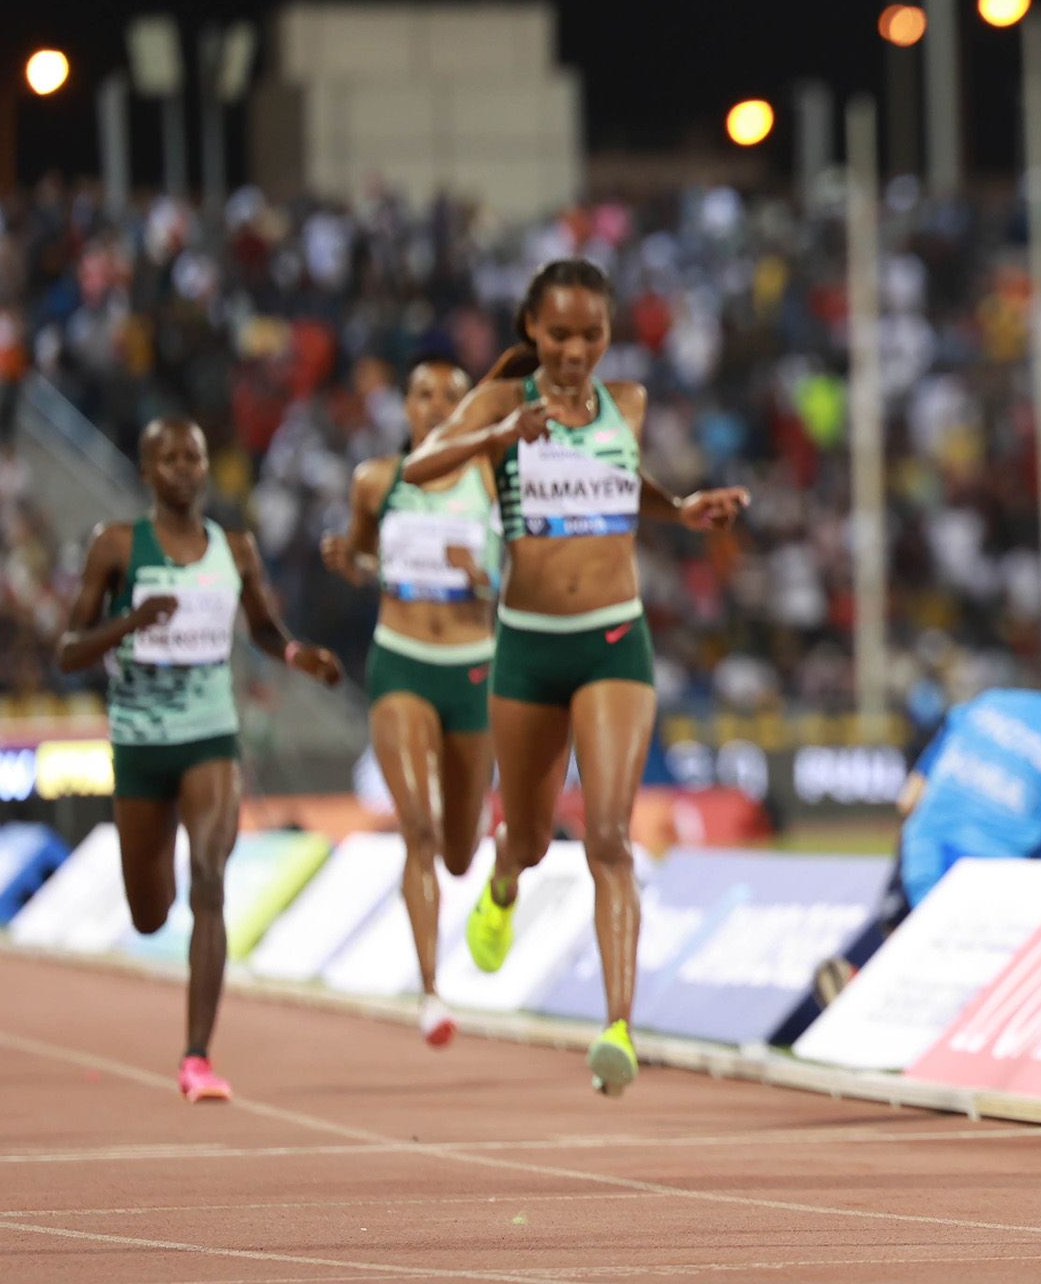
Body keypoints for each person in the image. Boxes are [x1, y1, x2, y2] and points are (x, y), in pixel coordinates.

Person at [402, 258, 747, 1095]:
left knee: (608, 837)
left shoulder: (626, 402)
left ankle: (618, 1027)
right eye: (559, 334)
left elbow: (627, 490)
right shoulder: (500, 403)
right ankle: (505, 878)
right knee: (526, 834)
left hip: (613, 639)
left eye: (591, 334)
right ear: (532, 329)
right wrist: (496, 437)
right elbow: (420, 469)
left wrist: (684, 507)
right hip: (526, 646)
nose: (574, 351)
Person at [54, 416, 344, 1102]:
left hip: (211, 736)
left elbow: (268, 633)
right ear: (148, 472)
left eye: (196, 457)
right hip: (139, 744)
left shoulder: (234, 548)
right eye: (171, 458)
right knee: (151, 912)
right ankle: (174, 972)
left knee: (210, 876)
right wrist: (131, 620)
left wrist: (305, 656)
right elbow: (67, 650)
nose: (187, 468)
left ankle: (196, 1056)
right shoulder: (118, 546)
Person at [320, 358, 502, 1048]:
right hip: (400, 660)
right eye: (422, 393)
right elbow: (367, 559)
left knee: (458, 850)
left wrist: (483, 576)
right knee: (417, 827)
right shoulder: (377, 481)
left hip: (470, 667)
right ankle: (431, 992)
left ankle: (477, 833)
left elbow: (518, 576)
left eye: (451, 395)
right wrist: (351, 563)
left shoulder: (488, 475)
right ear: (405, 407)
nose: (435, 405)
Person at [834, 638, 1041, 976]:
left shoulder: (987, 706)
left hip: (912, 874)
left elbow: (910, 797)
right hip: (991, 912)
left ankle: (875, 962)